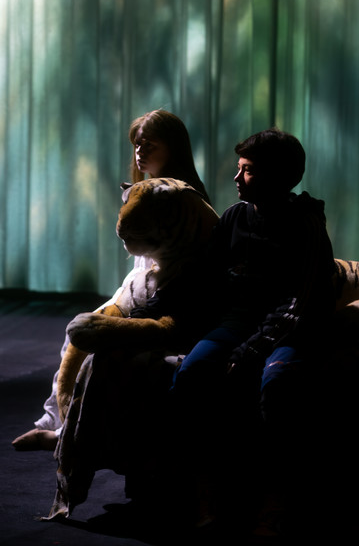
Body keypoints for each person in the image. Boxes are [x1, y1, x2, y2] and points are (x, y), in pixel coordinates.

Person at [148, 127, 337, 535]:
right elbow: (202, 272)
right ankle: (203, 490)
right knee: (191, 373)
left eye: (248, 170)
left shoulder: (305, 223)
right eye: (239, 168)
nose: (237, 177)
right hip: (238, 322)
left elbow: (299, 304)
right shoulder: (236, 216)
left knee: (278, 383)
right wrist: (150, 307)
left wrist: (250, 351)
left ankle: (276, 497)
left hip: (291, 330)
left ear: (277, 176)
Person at [12, 109, 210, 451]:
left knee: (93, 343)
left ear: (173, 147)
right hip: (140, 285)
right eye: (137, 144)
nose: (140, 151)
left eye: (150, 144)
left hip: (169, 293)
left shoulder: (181, 197)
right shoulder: (144, 190)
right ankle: (57, 425)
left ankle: (66, 432)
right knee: (74, 336)